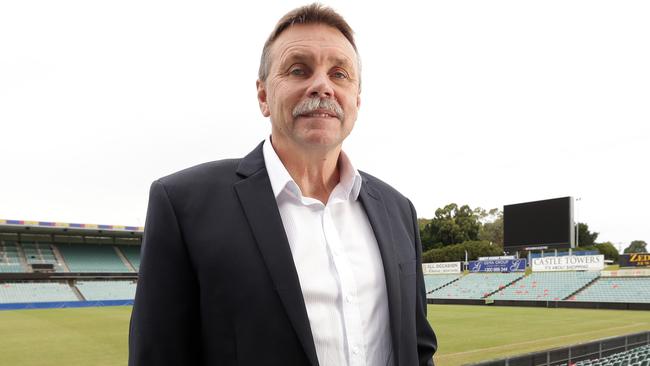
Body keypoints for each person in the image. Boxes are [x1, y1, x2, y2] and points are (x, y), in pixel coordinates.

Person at [128, 3, 437, 366]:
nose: (321, 85)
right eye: (298, 70)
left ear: (357, 97)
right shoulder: (183, 204)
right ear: (263, 96)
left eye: (339, 74)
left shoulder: (399, 210)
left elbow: (417, 350)